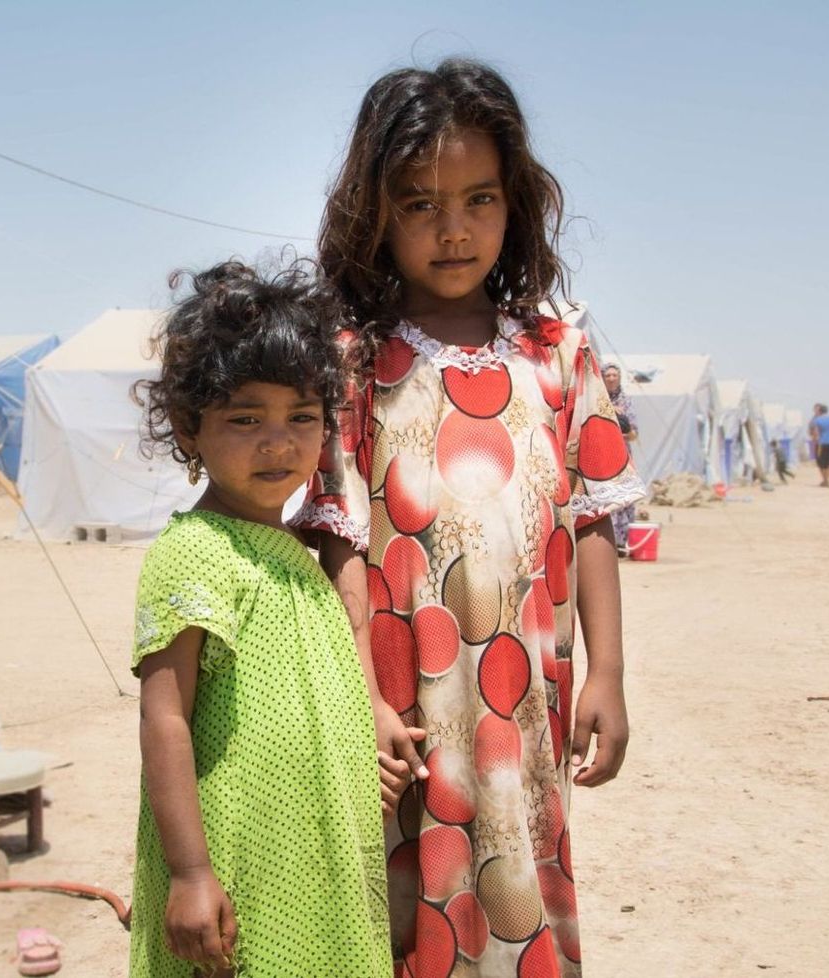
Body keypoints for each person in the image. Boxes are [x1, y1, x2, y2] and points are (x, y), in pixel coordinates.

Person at [292, 60, 646, 977]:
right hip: (406, 710)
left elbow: (596, 522)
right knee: (411, 906)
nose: (454, 229)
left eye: (479, 198)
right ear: (376, 215)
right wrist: (361, 699)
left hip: (522, 696)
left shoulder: (558, 351)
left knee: (516, 874)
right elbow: (339, 540)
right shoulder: (353, 361)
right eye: (419, 204)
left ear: (516, 203)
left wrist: (605, 672)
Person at [128, 260, 414, 977]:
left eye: (302, 418)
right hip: (238, 857)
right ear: (190, 429)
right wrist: (192, 874)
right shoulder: (194, 554)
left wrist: (356, 765)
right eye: (246, 418)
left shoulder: (301, 553)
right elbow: (164, 722)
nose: (278, 443)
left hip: (315, 852)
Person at [602, 363, 638, 555]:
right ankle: (609, 544)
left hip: (623, 454)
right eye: (607, 375)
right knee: (608, 496)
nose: (612, 378)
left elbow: (634, 433)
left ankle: (624, 541)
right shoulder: (597, 399)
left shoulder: (626, 401)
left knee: (626, 497)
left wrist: (619, 429)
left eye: (615, 375)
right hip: (603, 453)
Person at [809, 403, 829, 488]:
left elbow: (816, 433)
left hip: (822, 444)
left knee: (822, 463)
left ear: (820, 411)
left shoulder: (817, 420)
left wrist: (814, 443)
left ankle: (826, 480)